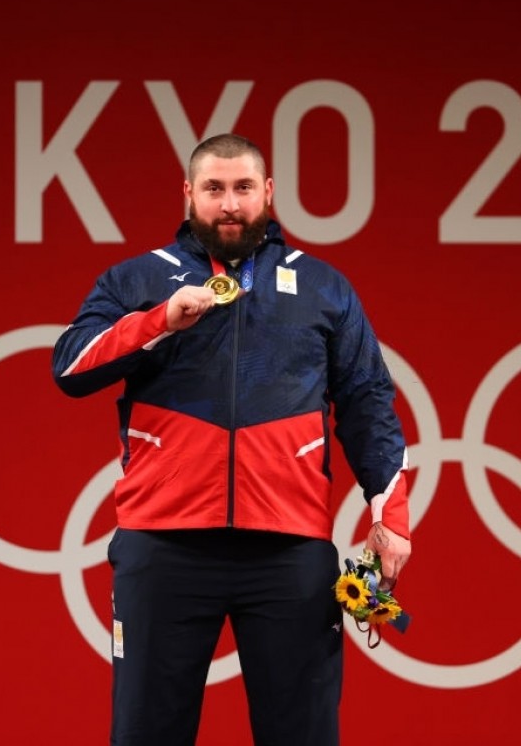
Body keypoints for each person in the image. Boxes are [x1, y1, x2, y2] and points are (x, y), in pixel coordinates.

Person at [51, 133, 412, 746]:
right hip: (163, 544)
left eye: (243, 188)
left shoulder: (323, 287)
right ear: (188, 194)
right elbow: (70, 367)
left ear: (267, 192)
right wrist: (159, 321)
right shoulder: (139, 279)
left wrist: (391, 517)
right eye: (214, 189)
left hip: (289, 548)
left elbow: (368, 401)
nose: (229, 204)